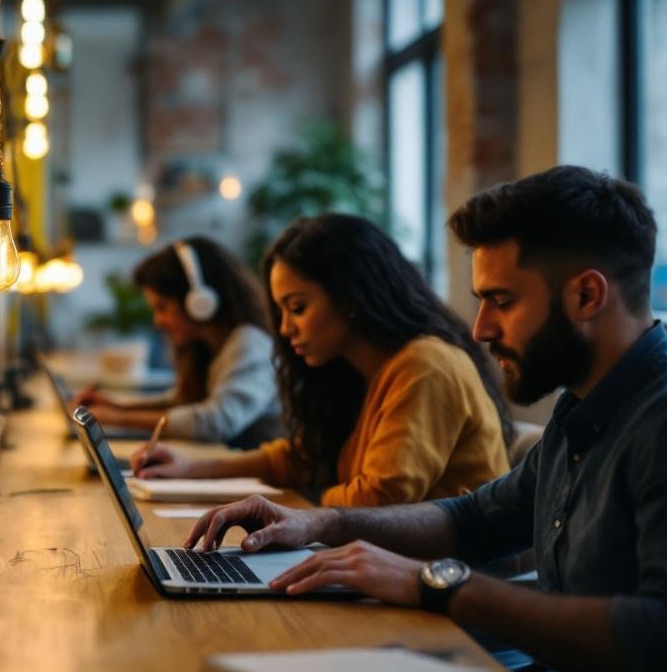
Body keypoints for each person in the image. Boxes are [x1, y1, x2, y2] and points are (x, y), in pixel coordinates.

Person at [183, 167, 667, 672]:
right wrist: (321, 524)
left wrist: (437, 582)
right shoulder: (580, 409)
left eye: (502, 301)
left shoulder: (663, 422)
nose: (480, 328)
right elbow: (474, 519)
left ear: (587, 296)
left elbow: (662, 636)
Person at [133, 215, 512, 506]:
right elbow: (302, 456)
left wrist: (301, 506)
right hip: (387, 561)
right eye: (281, 311)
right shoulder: (356, 370)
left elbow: (379, 499)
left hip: (450, 574)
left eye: (298, 308)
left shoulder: (425, 364)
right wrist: (190, 468)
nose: (285, 328)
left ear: (351, 296)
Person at [71, 236, 281, 448]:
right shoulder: (207, 348)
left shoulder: (250, 344)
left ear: (199, 301)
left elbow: (215, 421)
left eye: (162, 307)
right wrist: (117, 407)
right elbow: (182, 402)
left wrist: (119, 419)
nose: (158, 321)